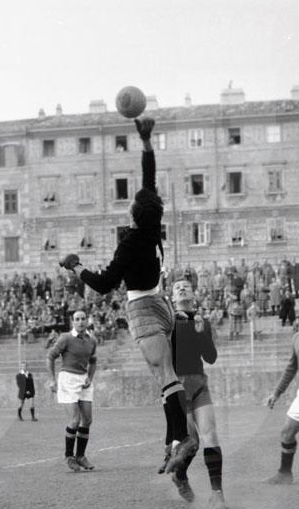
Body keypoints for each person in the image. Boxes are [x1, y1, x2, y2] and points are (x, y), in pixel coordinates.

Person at [58, 117, 195, 475]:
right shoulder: (152, 226)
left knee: (166, 376)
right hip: (161, 304)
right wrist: (146, 142)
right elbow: (149, 179)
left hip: (144, 309)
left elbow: (104, 284)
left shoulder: (130, 242)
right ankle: (172, 443)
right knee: (166, 377)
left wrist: (75, 267)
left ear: (133, 214)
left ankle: (183, 438)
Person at [159, 279, 227, 509]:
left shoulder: (201, 321)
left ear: (193, 294)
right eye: (177, 287)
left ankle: (217, 495)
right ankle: (180, 476)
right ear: (172, 297)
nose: (182, 288)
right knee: (192, 443)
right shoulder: (167, 322)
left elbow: (211, 358)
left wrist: (201, 334)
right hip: (176, 388)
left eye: (186, 286)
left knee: (211, 435)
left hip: (199, 385)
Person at [265, 299, 299, 484]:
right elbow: (291, 368)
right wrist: (276, 393)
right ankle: (285, 474)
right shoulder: (298, 336)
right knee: (286, 432)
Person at [47, 309, 98, 472]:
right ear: (72, 322)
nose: (81, 322)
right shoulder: (66, 338)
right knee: (75, 420)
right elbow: (50, 356)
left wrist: (90, 377)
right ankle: (69, 456)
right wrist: (52, 379)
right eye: (77, 319)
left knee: (87, 420)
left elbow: (93, 361)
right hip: (68, 379)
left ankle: (81, 456)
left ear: (87, 321)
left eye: (83, 319)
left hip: (84, 380)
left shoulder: (92, 340)